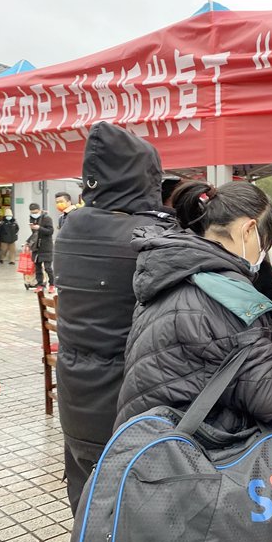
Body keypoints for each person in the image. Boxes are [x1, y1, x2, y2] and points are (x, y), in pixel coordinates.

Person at [115, 180, 272, 436]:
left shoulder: (174, 270)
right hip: (185, 453)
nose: (261, 254)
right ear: (249, 230)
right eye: (264, 243)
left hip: (151, 435)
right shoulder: (227, 295)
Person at [53, 122, 176, 514]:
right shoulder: (148, 238)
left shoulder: (69, 228)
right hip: (129, 406)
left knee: (87, 511)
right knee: (130, 523)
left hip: (77, 400)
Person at [26, 203, 54, 291]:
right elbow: (34, 234)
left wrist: (39, 228)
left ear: (39, 210)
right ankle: (40, 285)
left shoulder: (46, 218)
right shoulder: (32, 218)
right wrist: (28, 242)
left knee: (47, 268)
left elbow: (50, 231)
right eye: (32, 212)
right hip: (36, 247)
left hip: (46, 246)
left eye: (35, 212)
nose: (34, 213)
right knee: (37, 267)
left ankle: (52, 285)